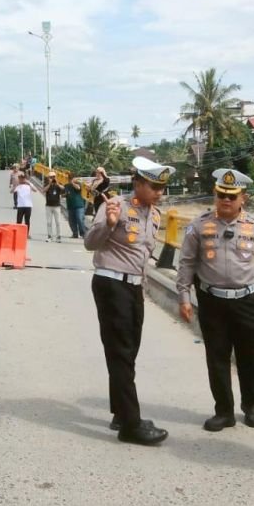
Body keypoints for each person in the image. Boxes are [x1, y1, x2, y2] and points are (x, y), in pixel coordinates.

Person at [176, 168, 254, 432]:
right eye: (221, 194)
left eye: (232, 196)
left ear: (242, 198)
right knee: (217, 356)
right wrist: (184, 297)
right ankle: (223, 411)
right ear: (215, 194)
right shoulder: (198, 226)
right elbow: (186, 262)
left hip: (247, 300)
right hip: (212, 301)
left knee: (249, 355)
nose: (226, 200)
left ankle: (251, 406)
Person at [85, 157, 174, 445]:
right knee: (121, 352)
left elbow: (144, 254)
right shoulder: (115, 206)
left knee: (129, 351)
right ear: (137, 183)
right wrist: (109, 225)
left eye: (162, 187)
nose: (159, 192)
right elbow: (91, 242)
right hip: (112, 284)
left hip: (135, 288)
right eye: (153, 186)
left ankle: (120, 412)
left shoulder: (156, 215)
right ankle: (131, 425)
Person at [43, 172, 65, 242]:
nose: (52, 178)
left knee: (58, 222)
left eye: (53, 177)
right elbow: (44, 190)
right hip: (48, 206)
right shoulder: (47, 184)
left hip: (57, 206)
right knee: (49, 222)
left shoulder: (58, 184)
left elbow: (63, 188)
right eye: (51, 177)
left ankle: (58, 236)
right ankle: (49, 236)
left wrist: (57, 183)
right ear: (48, 178)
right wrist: (49, 184)